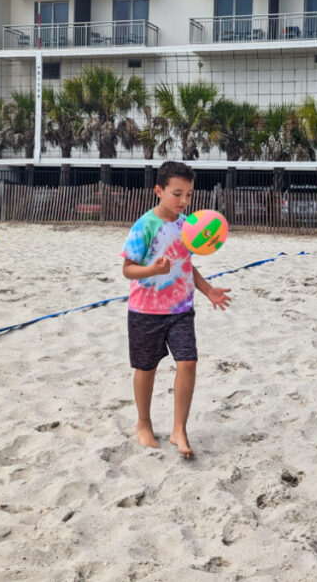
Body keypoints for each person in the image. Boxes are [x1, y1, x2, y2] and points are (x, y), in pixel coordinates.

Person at [120, 160, 232, 458]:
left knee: (188, 362)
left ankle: (178, 428)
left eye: (189, 195)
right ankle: (143, 423)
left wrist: (208, 290)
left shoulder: (187, 227)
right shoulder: (145, 226)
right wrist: (152, 270)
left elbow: (186, 265)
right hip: (146, 310)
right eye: (177, 194)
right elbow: (128, 270)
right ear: (159, 191)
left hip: (182, 308)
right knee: (146, 368)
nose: (184, 201)